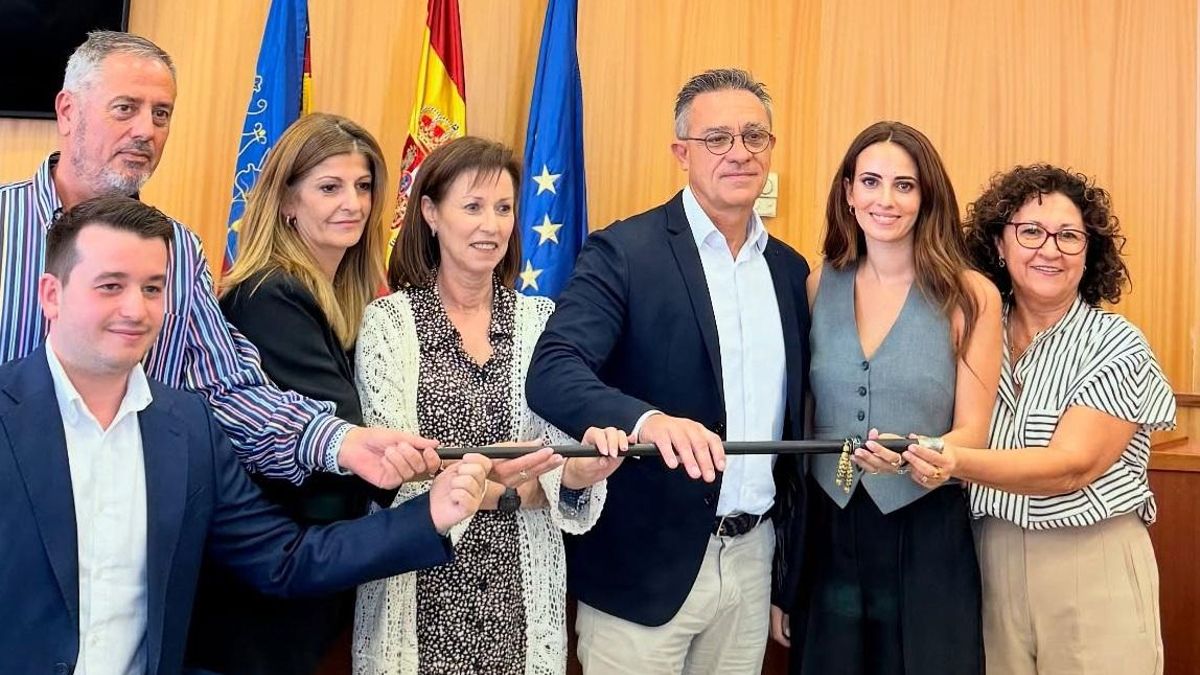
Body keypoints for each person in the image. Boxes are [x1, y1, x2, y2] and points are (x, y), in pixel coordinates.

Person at [0, 195, 495, 675]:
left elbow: (285, 560)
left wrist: (429, 514)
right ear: (51, 295)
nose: (136, 309)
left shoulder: (188, 428)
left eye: (153, 289)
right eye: (111, 286)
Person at [0, 31, 442, 490]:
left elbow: (227, 391)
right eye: (125, 108)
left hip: (130, 503)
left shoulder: (180, 250)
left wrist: (339, 441)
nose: (146, 131)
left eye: (161, 114)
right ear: (68, 111)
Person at [526, 68, 811, 674]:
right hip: (642, 568)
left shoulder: (790, 271)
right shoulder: (624, 252)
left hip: (753, 560)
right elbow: (552, 370)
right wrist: (647, 422)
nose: (739, 152)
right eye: (717, 138)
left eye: (754, 136)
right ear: (681, 153)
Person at [352, 136, 625, 675]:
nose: (492, 225)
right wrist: (518, 488)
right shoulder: (388, 324)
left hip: (520, 603)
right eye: (473, 207)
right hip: (417, 589)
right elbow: (395, 476)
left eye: (503, 208)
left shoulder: (542, 323)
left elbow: (560, 467)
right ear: (430, 213)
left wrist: (575, 476)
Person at [905, 165, 1175, 674]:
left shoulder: (1116, 343)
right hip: (986, 557)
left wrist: (954, 460)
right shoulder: (969, 334)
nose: (1049, 250)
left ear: (1089, 252)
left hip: (1091, 563)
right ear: (999, 245)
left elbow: (1072, 466)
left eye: (1069, 236)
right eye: (1030, 231)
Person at [772, 121, 1002, 675]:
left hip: (925, 531)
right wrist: (788, 574)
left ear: (927, 197)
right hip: (829, 529)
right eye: (871, 182)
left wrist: (918, 456)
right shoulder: (817, 284)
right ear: (849, 192)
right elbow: (805, 416)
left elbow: (974, 432)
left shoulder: (970, 295)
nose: (886, 200)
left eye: (905, 185)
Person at [184, 113, 395, 673]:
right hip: (258, 601)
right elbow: (349, 436)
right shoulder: (268, 294)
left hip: (307, 588)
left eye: (363, 186)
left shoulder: (341, 298)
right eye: (329, 187)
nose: (353, 203)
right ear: (286, 202)